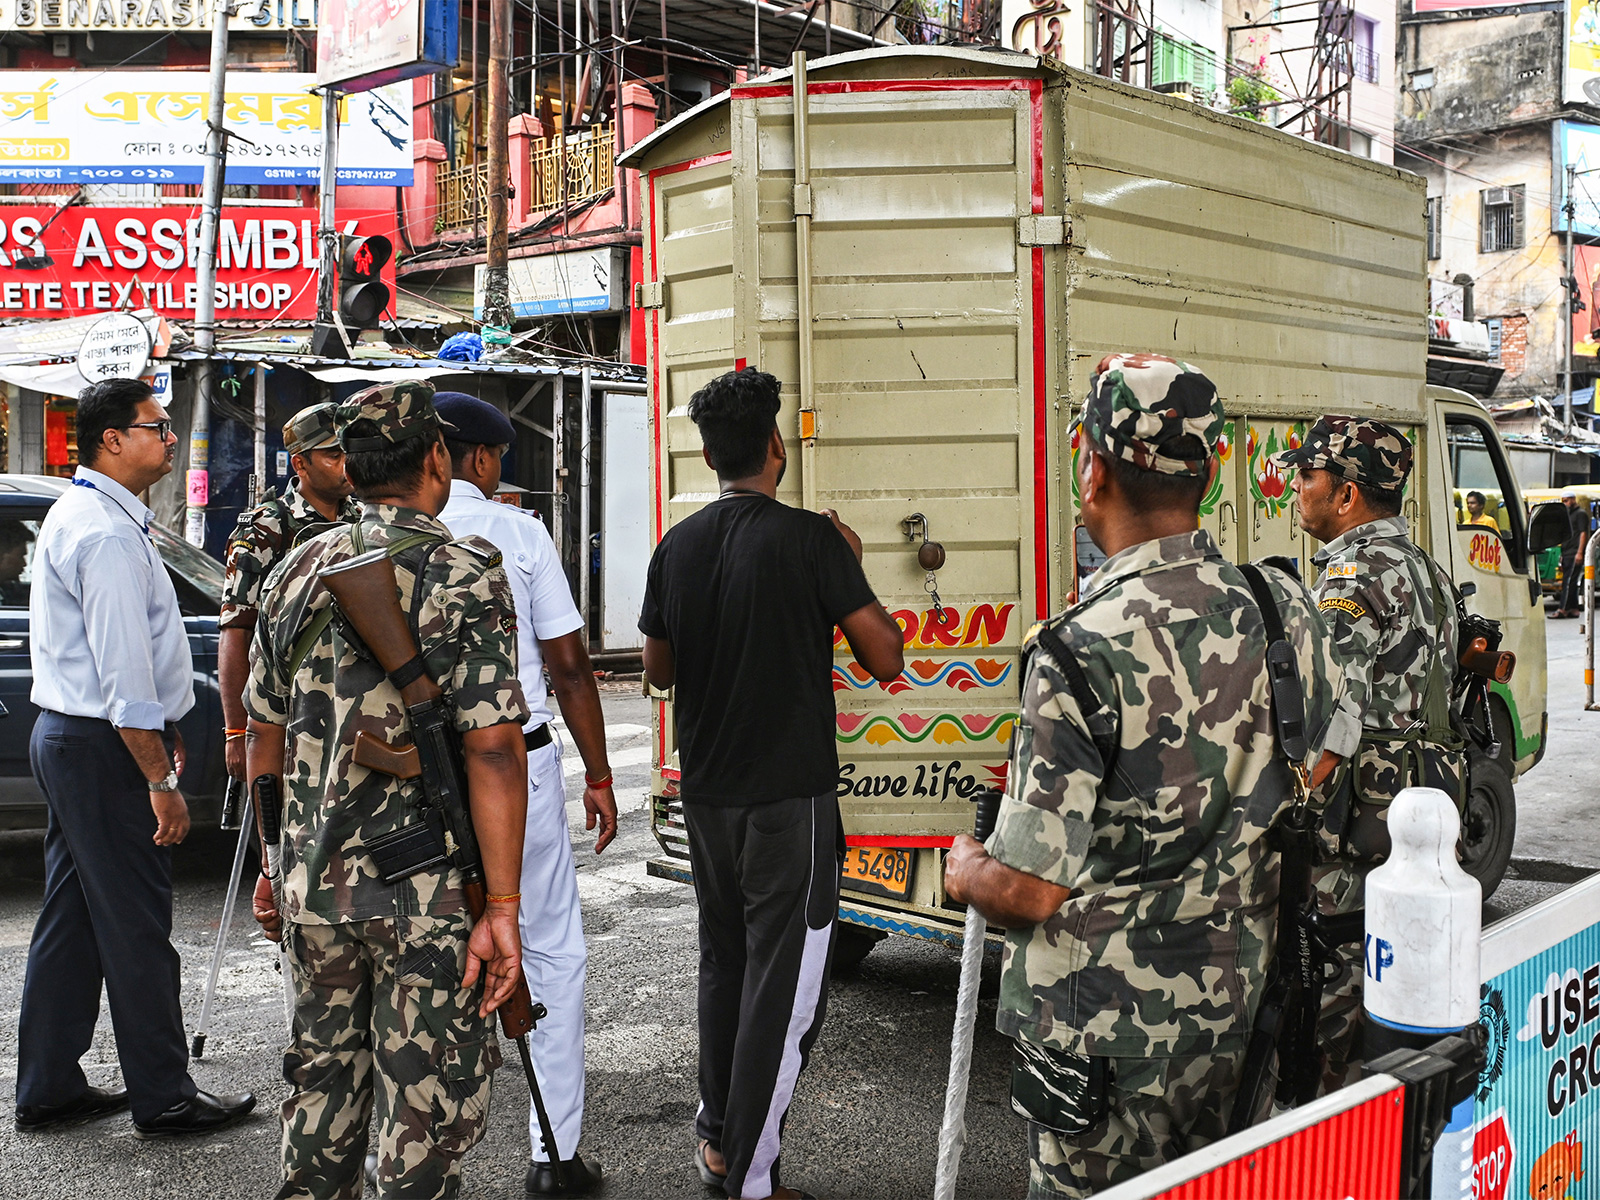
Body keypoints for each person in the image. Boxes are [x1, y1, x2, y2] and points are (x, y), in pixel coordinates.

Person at [942, 354, 1353, 1198]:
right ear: (1207, 471)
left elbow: (1029, 890)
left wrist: (966, 870)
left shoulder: (1075, 648)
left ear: (1091, 468)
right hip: (1248, 1022)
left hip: (1107, 1053)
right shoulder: (1281, 606)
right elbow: (1332, 745)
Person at [245, 381, 531, 1199]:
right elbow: (496, 750)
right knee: (423, 1111)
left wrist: (274, 862)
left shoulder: (295, 567)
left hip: (312, 882)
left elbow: (262, 737)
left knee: (322, 1092)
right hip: (421, 892)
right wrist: (501, 906)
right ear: (436, 457)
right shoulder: (458, 568)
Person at [638, 367, 905, 1200]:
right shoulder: (812, 540)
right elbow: (885, 657)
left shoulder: (674, 547)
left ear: (711, 454)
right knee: (784, 988)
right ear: (776, 450)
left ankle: (719, 1140)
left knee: (724, 967)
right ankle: (747, 1175)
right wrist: (848, 568)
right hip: (791, 799)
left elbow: (657, 670)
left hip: (709, 792)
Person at [16, 377, 255, 1138]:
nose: (170, 436)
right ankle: (165, 1095)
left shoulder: (95, 514)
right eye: (156, 426)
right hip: (99, 747)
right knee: (137, 925)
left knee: (74, 918)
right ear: (111, 440)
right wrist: (162, 780)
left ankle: (50, 1084)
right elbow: (124, 680)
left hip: (73, 737)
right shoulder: (107, 532)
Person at [435, 391, 616, 1197]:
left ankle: (420, 1158)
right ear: (476, 457)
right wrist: (601, 773)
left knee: (427, 957)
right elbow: (570, 667)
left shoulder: (359, 541)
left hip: (416, 779)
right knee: (547, 950)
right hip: (519, 767)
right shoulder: (516, 532)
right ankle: (554, 1156)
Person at [1277, 415, 1464, 1090]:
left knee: (1333, 1002)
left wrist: (1283, 804)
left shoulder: (1352, 577)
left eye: (1307, 474)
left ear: (1347, 494)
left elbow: (1337, 720)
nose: (1296, 487)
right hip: (1416, 820)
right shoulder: (1425, 568)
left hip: (1355, 836)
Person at [219, 402, 360, 781]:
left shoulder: (362, 519)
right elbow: (237, 629)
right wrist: (236, 730)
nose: (346, 462)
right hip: (284, 713)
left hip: (353, 705)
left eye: (349, 450)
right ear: (300, 464)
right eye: (333, 454)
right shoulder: (267, 529)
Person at [1553, 490, 1591, 619]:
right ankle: (1573, 608)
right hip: (1567, 552)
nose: (1565, 503)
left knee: (1568, 581)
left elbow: (1583, 533)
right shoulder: (1568, 514)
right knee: (1571, 581)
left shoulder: (1580, 514)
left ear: (1573, 500)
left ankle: (1563, 609)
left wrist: (1580, 552)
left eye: (1566, 500)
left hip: (1575, 552)